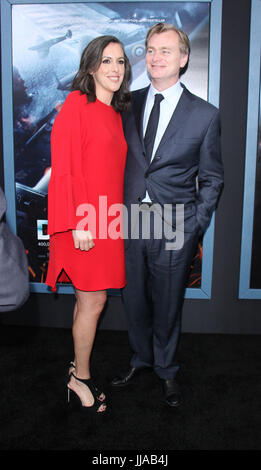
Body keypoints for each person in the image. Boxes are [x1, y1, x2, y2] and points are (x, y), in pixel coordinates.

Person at [111, 23, 224, 407]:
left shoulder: (205, 115)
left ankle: (167, 369)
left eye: (165, 51)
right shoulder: (126, 104)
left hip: (174, 225)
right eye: (151, 50)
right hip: (130, 221)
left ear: (183, 58)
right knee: (135, 300)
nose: (155, 58)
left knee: (168, 302)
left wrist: (195, 225)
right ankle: (141, 358)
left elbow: (212, 178)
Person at [46, 35, 131, 413]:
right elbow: (64, 165)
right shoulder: (78, 103)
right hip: (84, 221)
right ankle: (79, 377)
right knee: (94, 301)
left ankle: (76, 370)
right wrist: (80, 220)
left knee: (89, 301)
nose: (115, 68)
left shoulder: (114, 113)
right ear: (92, 66)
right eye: (107, 61)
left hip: (107, 219)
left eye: (121, 61)